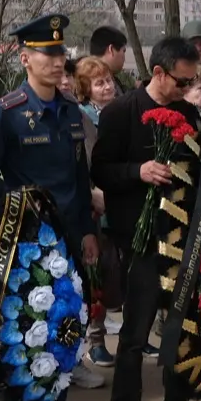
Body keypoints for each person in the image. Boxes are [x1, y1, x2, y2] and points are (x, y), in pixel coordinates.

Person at [91, 36, 201, 401]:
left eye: (192, 83)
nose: (187, 90)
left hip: (183, 237)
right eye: (181, 82)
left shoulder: (191, 114)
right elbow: (100, 171)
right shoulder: (121, 112)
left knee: (181, 325)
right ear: (159, 73)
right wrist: (138, 171)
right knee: (135, 334)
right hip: (141, 240)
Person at [0, 14, 100, 401]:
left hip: (68, 240)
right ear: (24, 59)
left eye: (60, 54)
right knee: (22, 335)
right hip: (25, 247)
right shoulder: (7, 113)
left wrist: (87, 231)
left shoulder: (70, 111)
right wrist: (1, 210)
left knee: (62, 331)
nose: (57, 62)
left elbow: (79, 176)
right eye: (47, 54)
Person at [73, 56, 122, 370]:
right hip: (97, 206)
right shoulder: (83, 118)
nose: (107, 87)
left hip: (122, 203)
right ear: (85, 88)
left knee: (121, 272)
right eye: (99, 83)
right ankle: (96, 340)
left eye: (108, 80)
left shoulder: (122, 111)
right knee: (98, 275)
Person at [89, 26, 131, 91]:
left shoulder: (85, 79)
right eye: (123, 51)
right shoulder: (104, 89)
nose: (124, 59)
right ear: (111, 50)